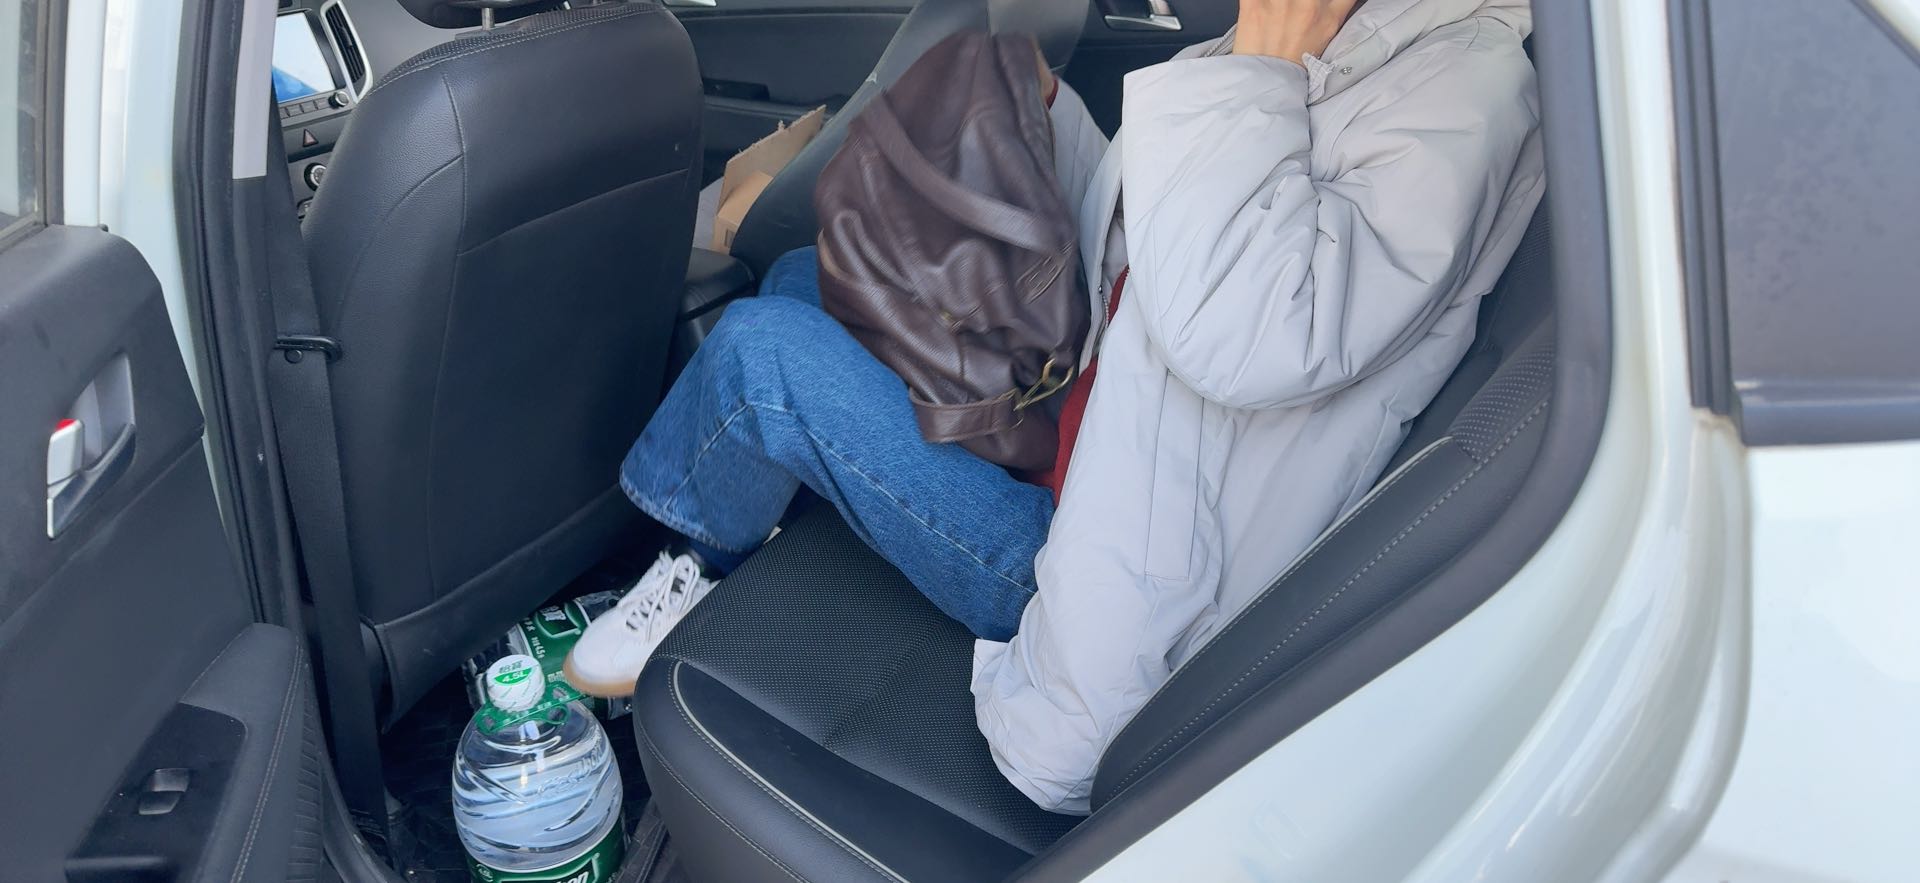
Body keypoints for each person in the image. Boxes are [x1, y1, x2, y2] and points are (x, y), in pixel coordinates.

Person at [565, 0, 1545, 814]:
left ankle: (697, 566)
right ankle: (743, 521)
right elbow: (1154, 253)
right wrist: (1052, 121)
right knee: (800, 279)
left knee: (759, 354)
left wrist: (1263, 61)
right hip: (1090, 425)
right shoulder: (1352, 37)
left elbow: (1242, 330)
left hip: (1095, 558)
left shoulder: (1463, 91)